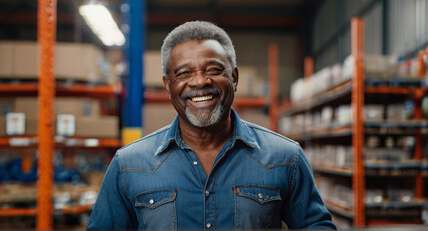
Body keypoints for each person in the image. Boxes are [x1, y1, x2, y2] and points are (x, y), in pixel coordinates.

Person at [87, 21, 336, 230]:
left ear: (234, 78)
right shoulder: (129, 165)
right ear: (167, 85)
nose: (200, 81)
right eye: (184, 73)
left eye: (214, 69)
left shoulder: (284, 158)